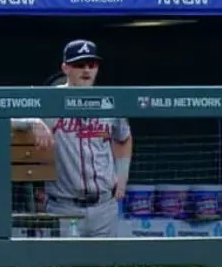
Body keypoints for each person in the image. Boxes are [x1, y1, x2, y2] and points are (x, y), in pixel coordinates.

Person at [11, 40, 132, 238]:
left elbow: (124, 138)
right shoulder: (50, 99)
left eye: (91, 65)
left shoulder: (108, 101)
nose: (86, 70)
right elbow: (6, 115)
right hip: (64, 208)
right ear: (65, 68)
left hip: (105, 206)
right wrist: (32, 121)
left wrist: (122, 179)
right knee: (64, 266)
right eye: (79, 65)